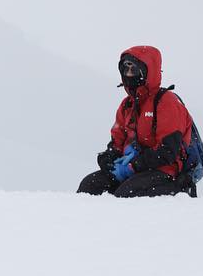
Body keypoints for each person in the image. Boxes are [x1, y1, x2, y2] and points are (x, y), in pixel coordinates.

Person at [78, 45, 193, 198]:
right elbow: (117, 142)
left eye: (134, 68)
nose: (129, 73)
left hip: (166, 172)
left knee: (126, 194)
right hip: (134, 170)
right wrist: (108, 157)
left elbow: (168, 152)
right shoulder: (127, 105)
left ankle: (180, 192)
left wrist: (135, 165)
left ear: (148, 71)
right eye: (126, 68)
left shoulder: (166, 102)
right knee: (90, 185)